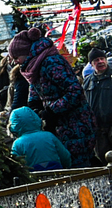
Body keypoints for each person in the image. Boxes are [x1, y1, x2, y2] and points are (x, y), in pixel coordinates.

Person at [9, 28, 97, 167]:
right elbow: (36, 87)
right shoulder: (34, 67)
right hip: (59, 125)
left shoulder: (51, 62)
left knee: (78, 168)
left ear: (26, 53)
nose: (15, 62)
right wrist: (34, 105)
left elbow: (75, 91)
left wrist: (51, 110)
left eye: (16, 58)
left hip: (75, 125)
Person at [8, 106, 72, 172]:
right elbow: (65, 156)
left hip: (34, 177)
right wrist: (67, 166)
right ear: (36, 118)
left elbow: (16, 166)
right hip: (57, 173)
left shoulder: (17, 144)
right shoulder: (49, 136)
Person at [85, 48, 111, 164]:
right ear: (91, 64)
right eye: (96, 60)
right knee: (103, 160)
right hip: (98, 130)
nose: (100, 61)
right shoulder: (87, 82)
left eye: (102, 59)